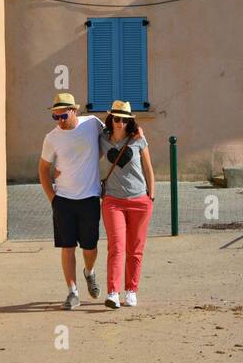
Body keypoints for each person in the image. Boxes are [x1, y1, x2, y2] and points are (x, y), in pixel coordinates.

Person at [38, 92, 104, 310]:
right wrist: (52, 198)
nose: (59, 121)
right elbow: (43, 168)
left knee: (90, 247)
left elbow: (110, 141)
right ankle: (72, 292)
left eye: (63, 116)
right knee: (67, 247)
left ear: (74, 111)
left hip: (90, 197)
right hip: (63, 200)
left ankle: (89, 272)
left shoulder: (93, 124)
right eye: (55, 117)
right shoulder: (51, 138)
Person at [98, 101, 155, 309]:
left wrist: (151, 197)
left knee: (135, 249)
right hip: (113, 202)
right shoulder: (102, 139)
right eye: (116, 118)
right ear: (111, 119)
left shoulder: (138, 139)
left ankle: (131, 290)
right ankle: (113, 292)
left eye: (124, 119)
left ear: (129, 121)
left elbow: (148, 169)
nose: (120, 123)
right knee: (116, 247)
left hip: (140, 201)